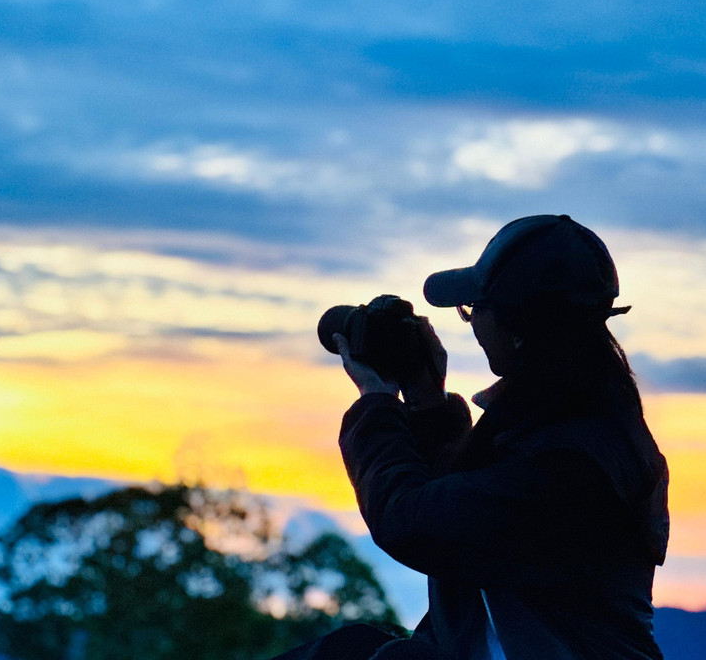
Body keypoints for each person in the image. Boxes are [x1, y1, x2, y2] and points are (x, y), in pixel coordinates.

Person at [280, 214, 669, 660]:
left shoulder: (567, 462)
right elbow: (468, 497)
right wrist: (426, 399)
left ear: (518, 328)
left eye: (474, 310)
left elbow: (412, 521)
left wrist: (377, 400)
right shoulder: (577, 418)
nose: (471, 324)